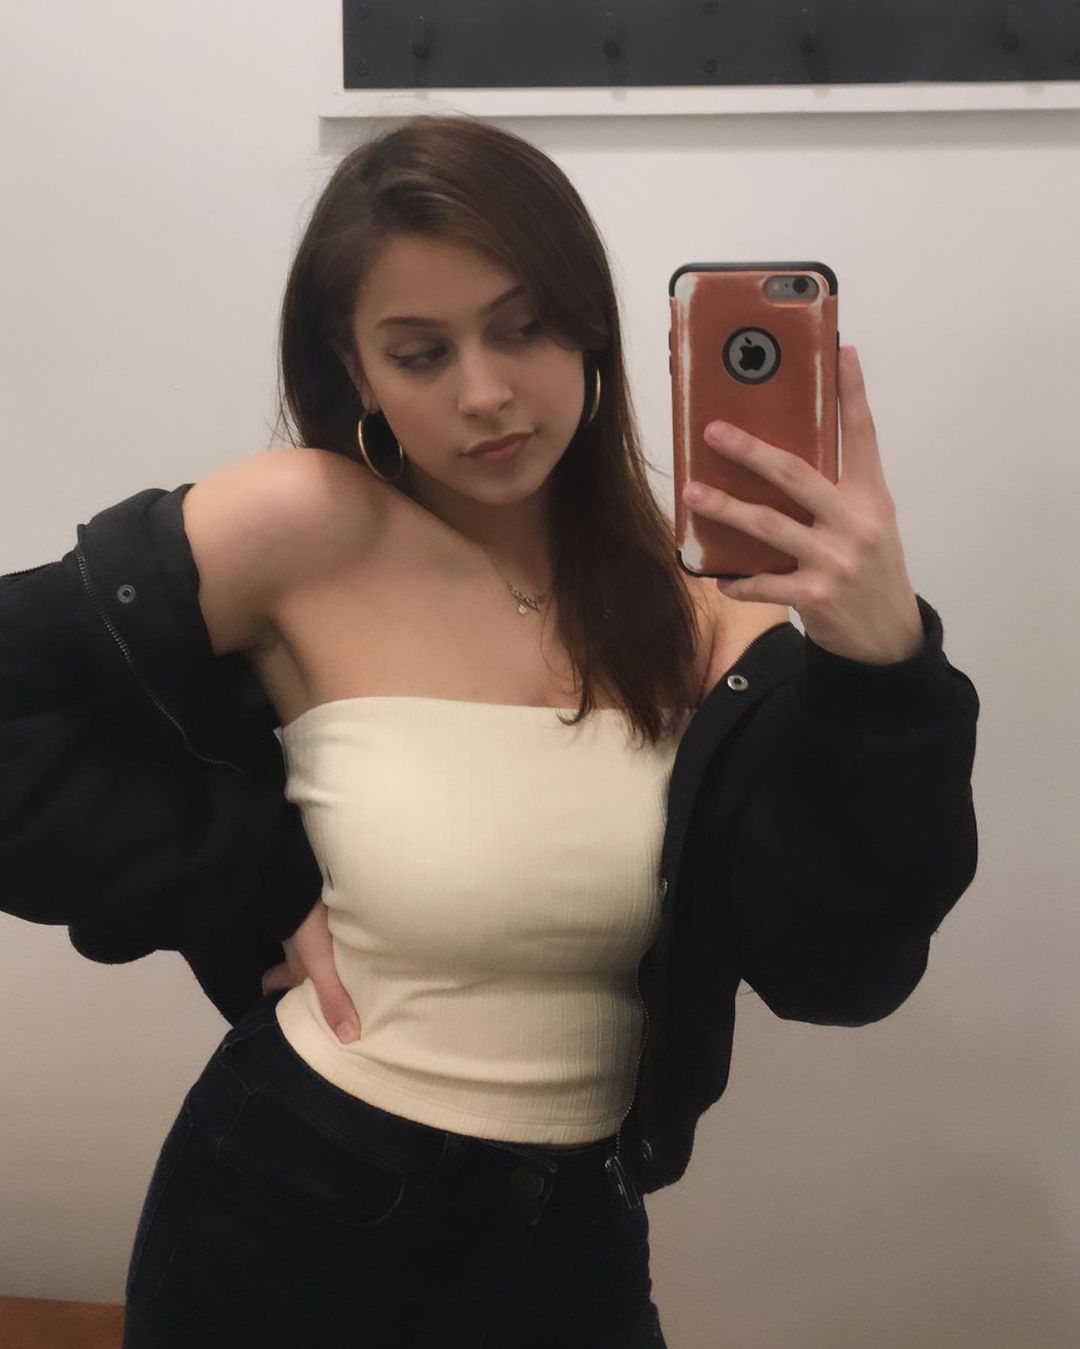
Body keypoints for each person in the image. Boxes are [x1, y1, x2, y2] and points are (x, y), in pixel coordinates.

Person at [0, 114, 980, 1348]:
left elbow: (842, 972)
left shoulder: (712, 626)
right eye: (421, 352)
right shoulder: (305, 528)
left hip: (576, 1248)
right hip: (291, 1210)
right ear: (357, 370)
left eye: (523, 328)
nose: (484, 393)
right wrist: (234, 869)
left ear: (593, 328)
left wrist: (881, 666)